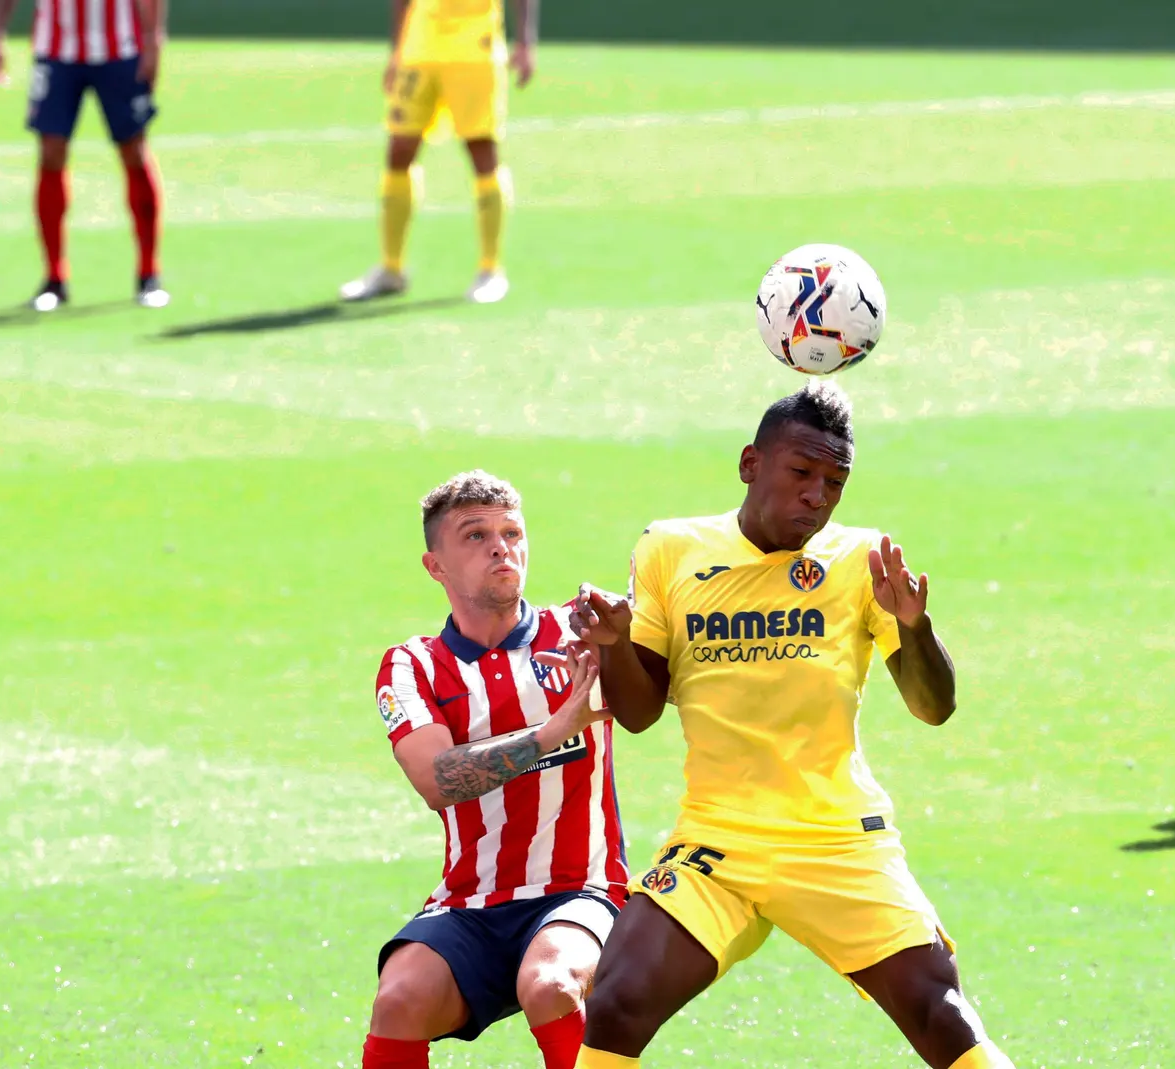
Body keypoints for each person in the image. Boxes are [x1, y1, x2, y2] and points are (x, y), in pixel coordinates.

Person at [566, 381, 1014, 1069]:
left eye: (835, 481)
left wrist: (915, 628)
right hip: (718, 838)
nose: (818, 495)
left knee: (939, 1009)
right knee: (617, 999)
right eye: (801, 473)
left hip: (835, 837)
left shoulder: (862, 562)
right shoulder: (670, 549)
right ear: (751, 463)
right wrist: (616, 642)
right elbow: (638, 712)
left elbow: (934, 706)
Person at [364, 471, 627, 1069]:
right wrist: (556, 730)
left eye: (511, 532)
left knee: (551, 985)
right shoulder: (413, 666)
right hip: (469, 902)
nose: (500, 546)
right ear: (437, 567)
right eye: (476, 535)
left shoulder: (581, 634)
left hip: (581, 889)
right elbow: (435, 780)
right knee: (399, 999)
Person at [339, 0, 537, 305]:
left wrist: (525, 42)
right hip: (420, 49)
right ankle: (391, 268)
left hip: (475, 51)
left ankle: (490, 270)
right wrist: (397, 50)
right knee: (399, 151)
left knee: (482, 151)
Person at [0, 0, 169, 311]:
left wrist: (153, 39)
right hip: (56, 52)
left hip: (120, 49)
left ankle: (149, 273)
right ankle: (55, 279)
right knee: (50, 152)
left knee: (134, 151)